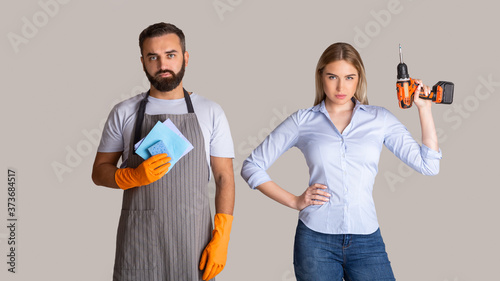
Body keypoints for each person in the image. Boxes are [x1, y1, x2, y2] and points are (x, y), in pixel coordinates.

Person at [240, 42, 442, 281]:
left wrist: (424, 109)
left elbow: (429, 165)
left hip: (367, 239)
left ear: (359, 79)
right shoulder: (303, 121)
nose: (340, 86)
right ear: (321, 76)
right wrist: (295, 201)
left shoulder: (380, 119)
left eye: (349, 77)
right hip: (315, 241)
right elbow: (251, 165)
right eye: (332, 76)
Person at [91, 22, 235, 281]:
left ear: (185, 58)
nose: (162, 65)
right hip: (140, 243)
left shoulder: (210, 111)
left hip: (194, 241)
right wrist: (130, 177)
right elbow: (99, 173)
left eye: (170, 55)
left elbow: (224, 177)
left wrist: (222, 236)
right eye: (153, 57)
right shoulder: (124, 112)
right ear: (143, 62)